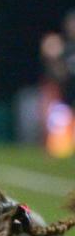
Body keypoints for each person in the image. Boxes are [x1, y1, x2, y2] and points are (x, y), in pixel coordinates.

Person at [40, 9, 75, 158]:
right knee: (59, 151)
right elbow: (55, 77)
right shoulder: (63, 48)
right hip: (64, 104)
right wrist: (52, 57)